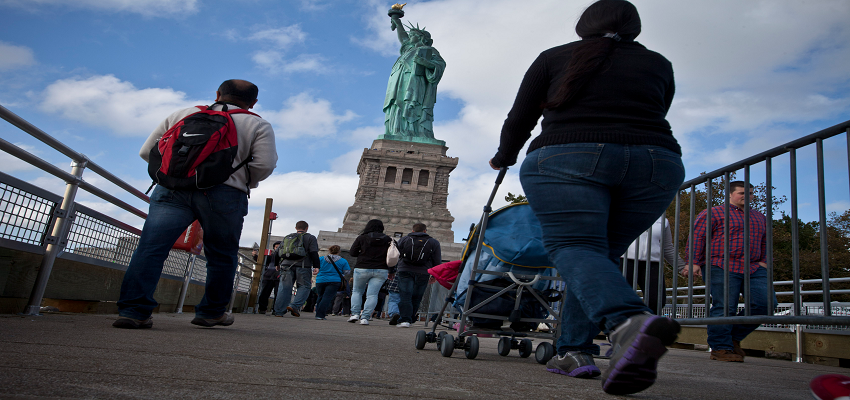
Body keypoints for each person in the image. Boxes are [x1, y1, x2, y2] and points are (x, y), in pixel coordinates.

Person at [488, 0, 684, 395]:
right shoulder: (659, 63)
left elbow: (520, 116)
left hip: (568, 155)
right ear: (634, 28)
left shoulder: (553, 58)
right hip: (656, 162)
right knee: (598, 255)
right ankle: (573, 351)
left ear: (584, 25)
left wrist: (504, 156)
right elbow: (658, 108)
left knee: (574, 245)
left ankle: (628, 320)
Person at [114, 79, 277, 329]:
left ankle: (133, 311)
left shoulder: (183, 114)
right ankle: (211, 312)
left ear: (217, 94)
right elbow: (264, 165)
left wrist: (175, 174)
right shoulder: (257, 124)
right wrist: (237, 179)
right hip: (224, 194)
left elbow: (148, 151)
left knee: (151, 248)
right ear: (253, 102)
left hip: (172, 189)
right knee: (221, 255)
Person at [684, 181, 769, 362]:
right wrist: (693, 263)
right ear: (730, 194)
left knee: (765, 304)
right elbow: (698, 237)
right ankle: (721, 348)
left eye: (751, 193)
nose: (747, 196)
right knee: (725, 307)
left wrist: (764, 261)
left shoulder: (759, 217)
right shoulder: (713, 213)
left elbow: (765, 241)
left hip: (754, 267)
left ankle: (731, 336)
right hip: (721, 264)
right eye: (742, 193)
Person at [383, 11, 446, 140]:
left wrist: (425, 63)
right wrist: (397, 21)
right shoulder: (408, 49)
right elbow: (403, 38)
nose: (410, 37)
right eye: (410, 35)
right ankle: (397, 130)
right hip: (399, 80)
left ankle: (415, 132)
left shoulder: (429, 50)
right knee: (397, 104)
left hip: (416, 82)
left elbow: (440, 64)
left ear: (422, 38)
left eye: (413, 35)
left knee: (411, 104)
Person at [621, 216, 686, 315]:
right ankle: (621, 325)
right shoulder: (625, 211)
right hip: (625, 260)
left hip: (653, 263)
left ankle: (646, 325)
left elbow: (668, 248)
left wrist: (682, 267)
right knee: (622, 299)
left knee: (657, 300)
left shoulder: (663, 220)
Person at [396, 223, 441, 328]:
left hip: (405, 269)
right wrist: (435, 275)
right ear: (425, 231)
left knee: (405, 295)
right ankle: (410, 318)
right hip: (423, 272)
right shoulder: (433, 242)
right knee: (417, 296)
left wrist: (392, 270)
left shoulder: (404, 239)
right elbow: (437, 260)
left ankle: (405, 319)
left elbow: (395, 255)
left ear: (412, 230)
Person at [347, 219, 392, 325]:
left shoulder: (362, 238)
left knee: (357, 291)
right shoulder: (388, 239)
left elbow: (352, 253)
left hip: (362, 267)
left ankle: (355, 314)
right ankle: (365, 317)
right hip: (381, 269)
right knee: (372, 295)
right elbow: (393, 255)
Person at [274, 221, 321, 317]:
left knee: (284, 288)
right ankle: (294, 306)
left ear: (296, 228)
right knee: (304, 287)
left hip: (286, 265)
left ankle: (278, 311)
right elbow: (313, 252)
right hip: (303, 266)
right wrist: (317, 266)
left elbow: (277, 252)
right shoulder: (310, 237)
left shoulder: (288, 237)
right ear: (307, 228)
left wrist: (277, 264)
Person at [314, 245, 351, 320]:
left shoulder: (321, 259)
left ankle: (318, 312)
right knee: (327, 297)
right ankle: (320, 315)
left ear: (329, 250)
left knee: (320, 296)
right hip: (334, 281)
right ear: (339, 251)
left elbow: (314, 268)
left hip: (320, 280)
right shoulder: (343, 261)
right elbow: (347, 272)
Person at [257, 241, 281, 315]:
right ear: (274, 248)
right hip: (268, 276)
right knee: (264, 293)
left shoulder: (284, 256)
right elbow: (263, 261)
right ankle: (262, 308)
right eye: (276, 247)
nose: (277, 249)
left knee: (278, 294)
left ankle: (276, 310)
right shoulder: (270, 255)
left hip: (279, 277)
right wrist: (255, 256)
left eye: (279, 247)